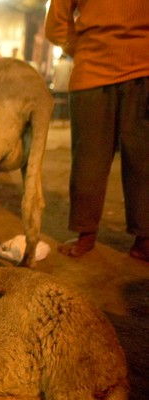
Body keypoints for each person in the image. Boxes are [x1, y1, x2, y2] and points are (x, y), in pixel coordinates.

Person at [45, 0, 149, 262]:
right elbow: (56, 24)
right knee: (142, 158)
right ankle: (143, 238)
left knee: (91, 158)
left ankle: (86, 235)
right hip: (132, 70)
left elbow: (56, 26)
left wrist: (85, 48)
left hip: (98, 70)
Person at [50, 53, 73, 120]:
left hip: (57, 88)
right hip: (66, 88)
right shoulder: (69, 65)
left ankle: (56, 118)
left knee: (57, 104)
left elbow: (54, 76)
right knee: (66, 104)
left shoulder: (56, 65)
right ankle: (65, 117)